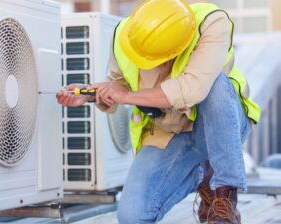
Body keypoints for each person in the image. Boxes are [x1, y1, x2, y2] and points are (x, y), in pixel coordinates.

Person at [56, 0, 261, 223]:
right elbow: (119, 83)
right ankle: (203, 175)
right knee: (132, 216)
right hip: (169, 133)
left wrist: (126, 97)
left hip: (219, 126)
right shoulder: (128, 34)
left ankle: (224, 197)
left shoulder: (211, 23)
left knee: (217, 86)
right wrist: (91, 92)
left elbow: (190, 90)